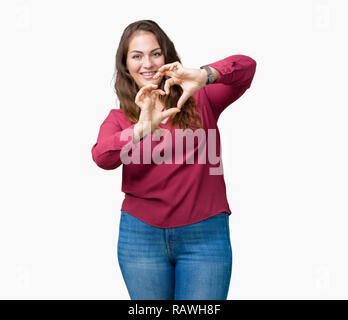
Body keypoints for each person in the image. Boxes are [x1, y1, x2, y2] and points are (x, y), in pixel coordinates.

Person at [91, 19, 256, 300]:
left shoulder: (201, 100)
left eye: (155, 53)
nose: (148, 64)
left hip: (205, 234)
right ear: (126, 66)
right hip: (140, 236)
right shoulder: (118, 119)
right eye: (137, 56)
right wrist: (140, 129)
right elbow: (102, 158)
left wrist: (206, 74)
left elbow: (246, 67)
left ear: (167, 57)